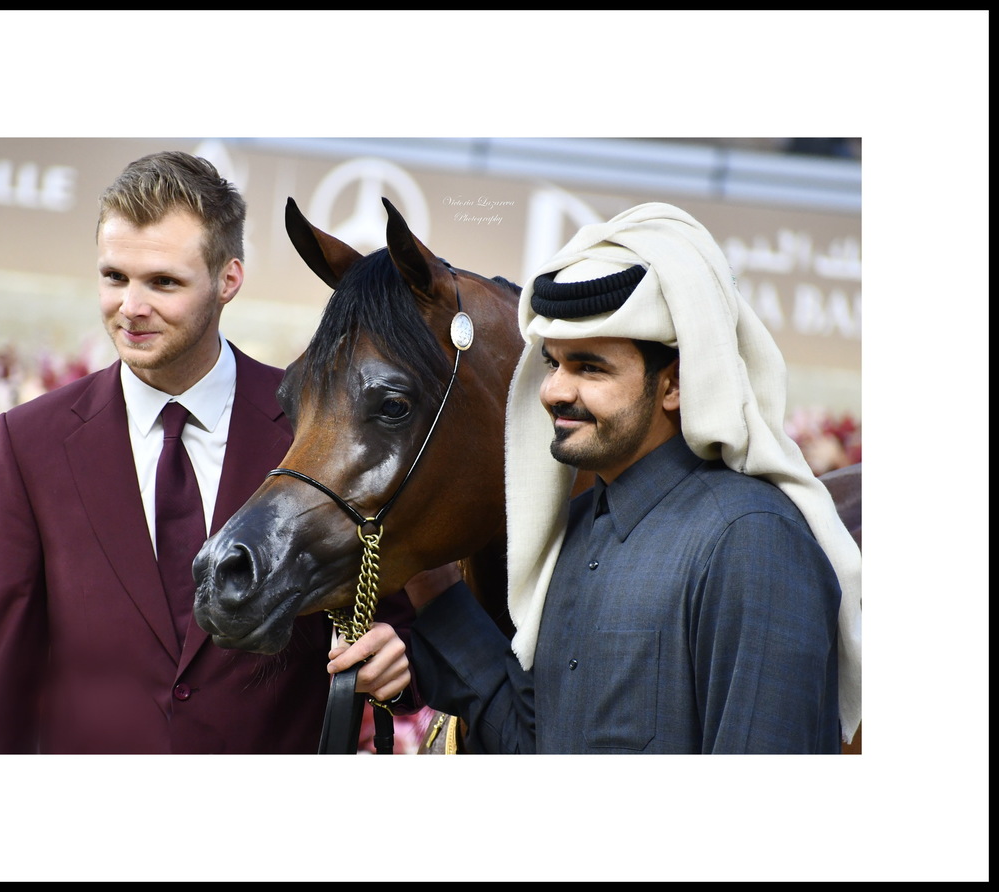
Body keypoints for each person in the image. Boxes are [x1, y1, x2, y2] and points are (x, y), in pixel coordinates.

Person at [330, 202, 862, 754]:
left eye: (590, 368)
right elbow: (530, 746)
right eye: (555, 363)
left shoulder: (753, 542)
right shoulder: (577, 533)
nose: (555, 391)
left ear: (675, 384)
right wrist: (434, 588)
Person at [0, 151, 414, 754]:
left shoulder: (317, 427)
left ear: (229, 280)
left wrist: (399, 656)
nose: (131, 308)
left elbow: (400, 619)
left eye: (163, 282)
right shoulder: (30, 442)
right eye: (115, 277)